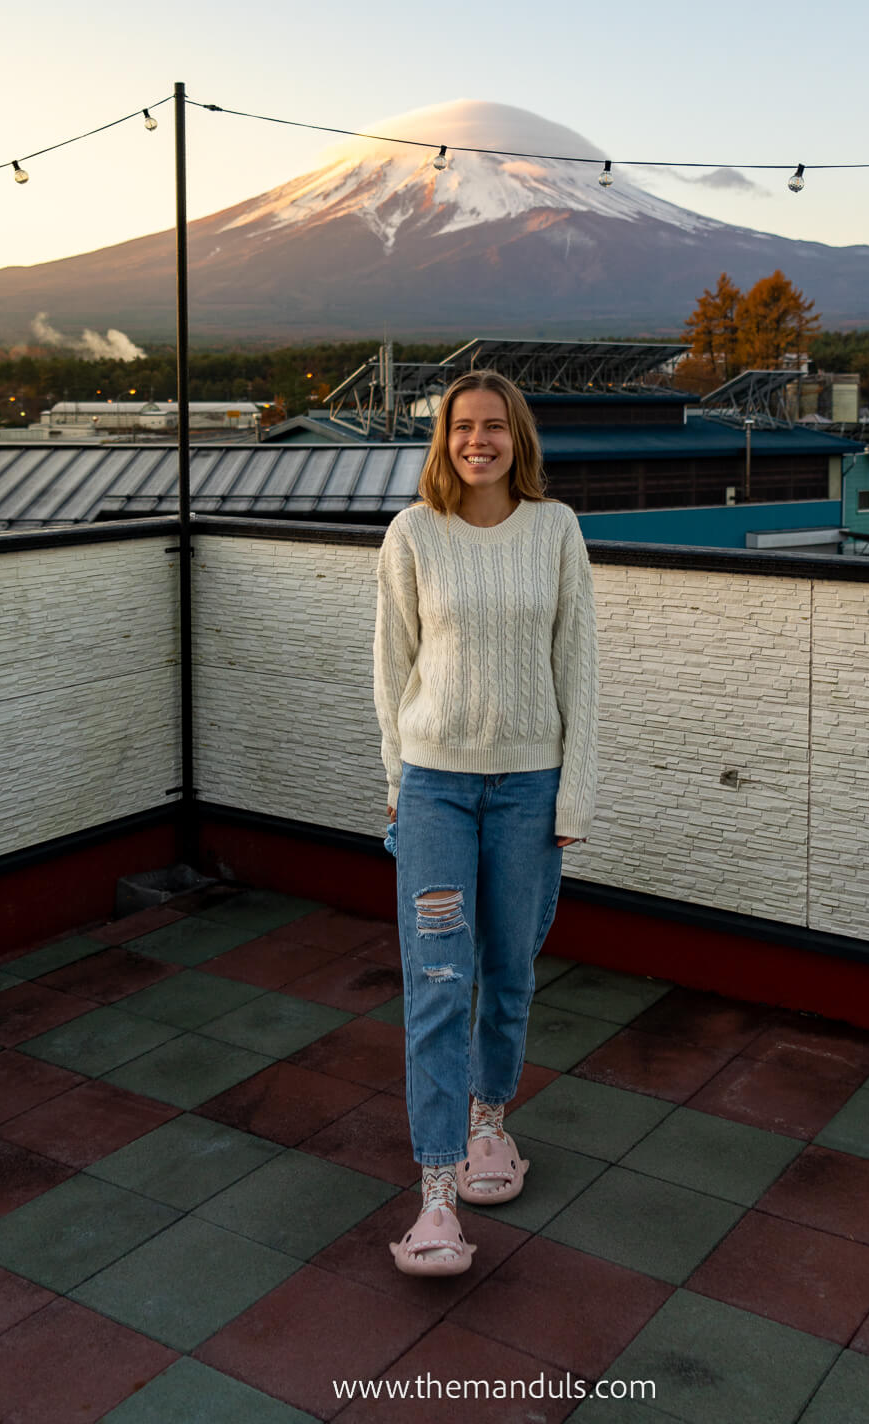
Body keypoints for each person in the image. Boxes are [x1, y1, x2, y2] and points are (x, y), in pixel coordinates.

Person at [373, 369, 599, 1276]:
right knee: (436, 980)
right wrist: (397, 783)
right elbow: (391, 670)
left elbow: (578, 665)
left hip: (528, 791)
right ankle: (434, 1194)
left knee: (508, 970)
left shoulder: (556, 529)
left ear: (518, 437)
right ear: (444, 440)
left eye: (494, 427)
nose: (478, 441)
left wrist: (572, 793)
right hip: (433, 789)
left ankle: (488, 1124)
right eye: (463, 427)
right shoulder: (412, 534)